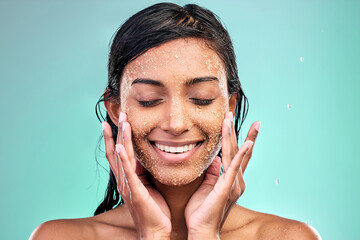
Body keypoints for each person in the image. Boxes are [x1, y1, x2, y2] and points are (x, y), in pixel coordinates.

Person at [30, 3, 321, 240]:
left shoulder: (288, 237)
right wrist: (154, 235)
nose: (176, 123)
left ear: (229, 106)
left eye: (202, 98)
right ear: (116, 108)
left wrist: (206, 235)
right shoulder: (59, 236)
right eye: (148, 99)